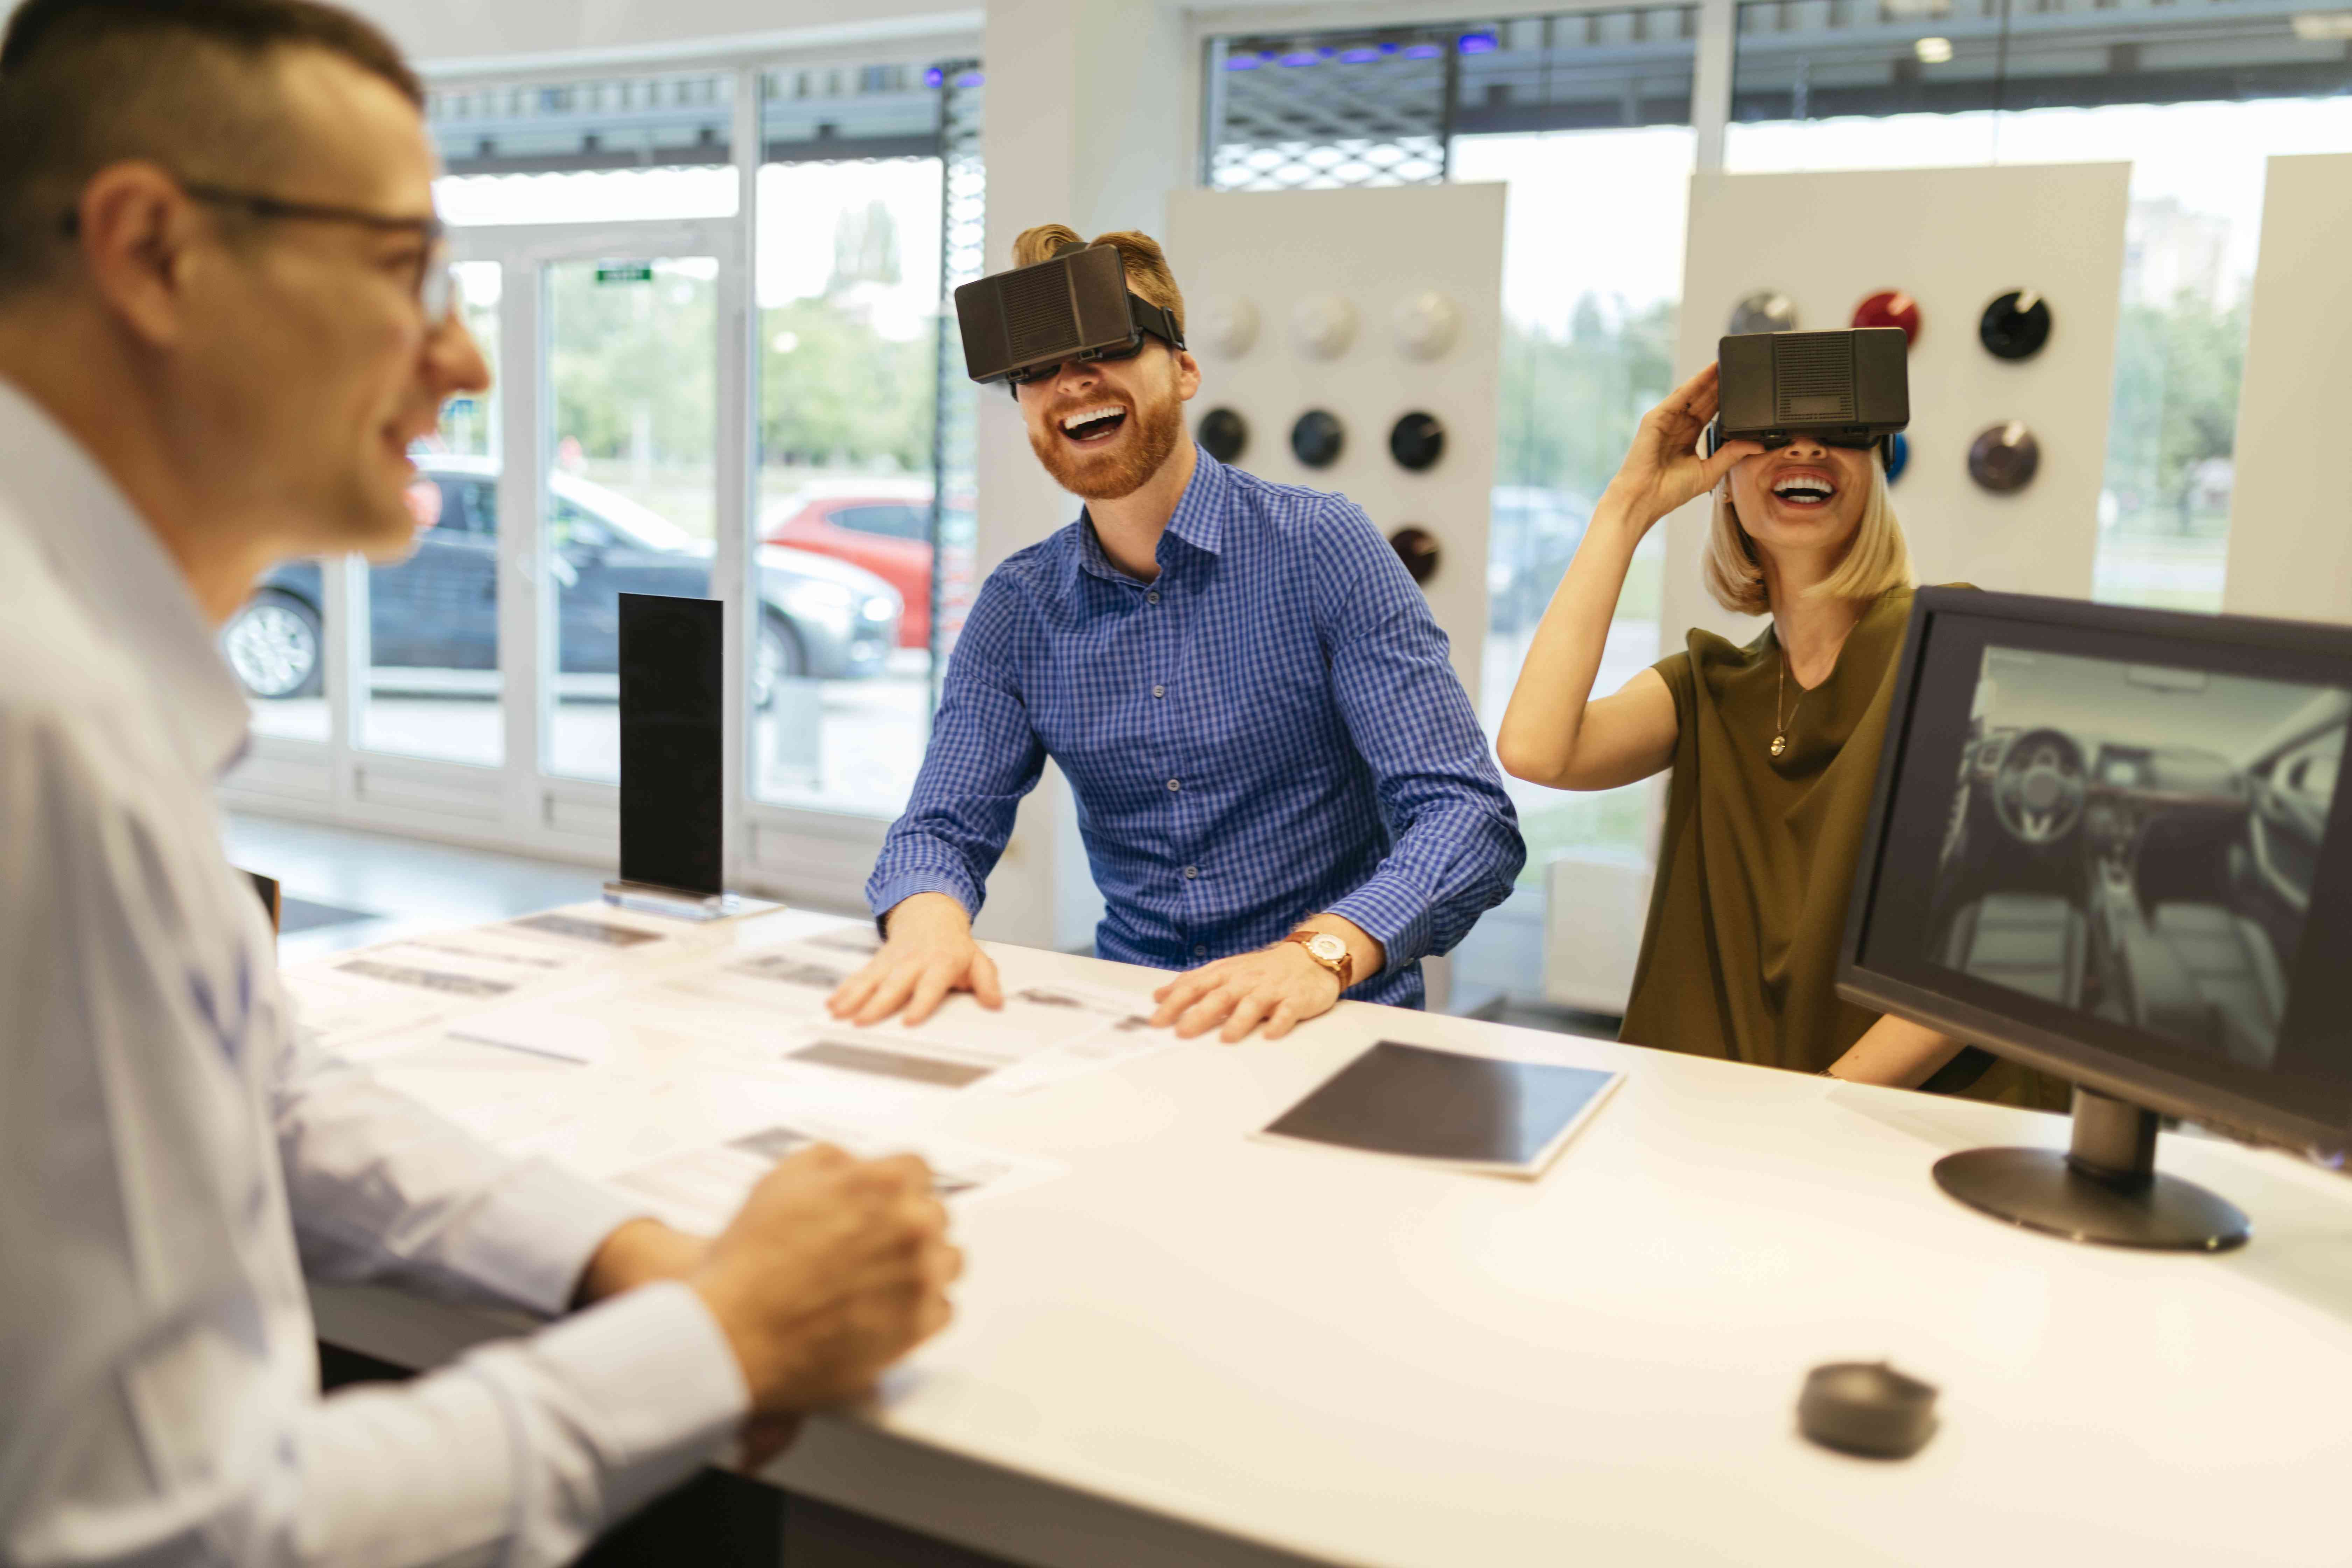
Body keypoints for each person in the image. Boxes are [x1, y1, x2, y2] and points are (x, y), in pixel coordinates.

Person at [0, 4, 960, 1563]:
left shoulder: (78, 675)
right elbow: (172, 1536)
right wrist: (718, 1342)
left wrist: (619, 1253)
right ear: (152, 252)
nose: (465, 353)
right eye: (404, 271)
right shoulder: (36, 727)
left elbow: (263, 1091)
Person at [831, 224, 1523, 1043]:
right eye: (1037, 369)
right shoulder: (1019, 607)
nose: (1071, 382)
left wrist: (1318, 953)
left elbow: (1465, 814)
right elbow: (940, 826)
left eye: (1108, 347)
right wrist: (928, 925)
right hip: (1140, 1021)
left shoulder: (1322, 549)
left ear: (1185, 369)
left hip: (1332, 1021)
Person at [1496, 363, 2064, 1106]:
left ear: (1875, 470)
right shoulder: (1710, 687)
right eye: (1768, 436)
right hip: (1724, 1124)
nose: (1804, 451)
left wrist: (1820, 1106)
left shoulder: (1952, 644)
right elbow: (1536, 749)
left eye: (1839, 436)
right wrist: (1626, 507)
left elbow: (2001, 932)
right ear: (1723, 477)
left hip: (1901, 1128)